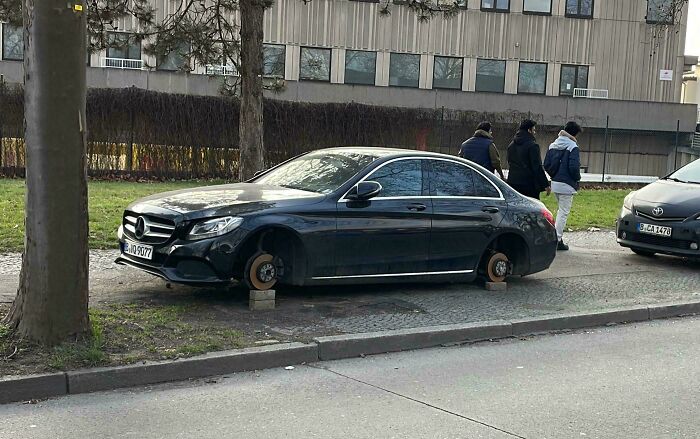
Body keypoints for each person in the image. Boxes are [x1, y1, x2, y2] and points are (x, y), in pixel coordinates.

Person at [544, 121, 583, 251]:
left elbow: (546, 164)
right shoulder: (573, 147)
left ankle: (556, 237)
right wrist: (577, 178)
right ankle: (557, 239)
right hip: (567, 184)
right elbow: (574, 167)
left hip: (555, 182)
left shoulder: (553, 145)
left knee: (560, 211)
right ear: (574, 134)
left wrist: (554, 174)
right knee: (563, 213)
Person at [506, 119, 550, 199]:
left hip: (513, 182)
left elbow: (509, 162)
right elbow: (537, 167)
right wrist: (545, 185)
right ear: (529, 130)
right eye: (533, 130)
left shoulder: (511, 145)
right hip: (529, 184)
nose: (534, 132)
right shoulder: (532, 146)